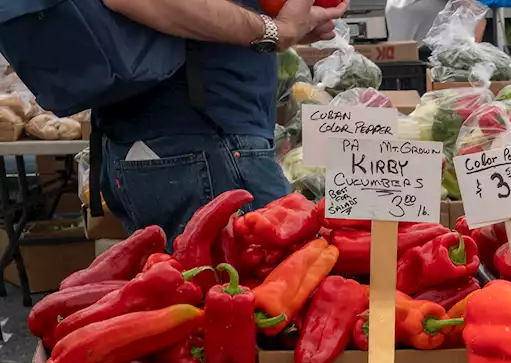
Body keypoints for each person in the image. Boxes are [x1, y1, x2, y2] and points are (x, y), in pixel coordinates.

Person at [96, 0, 348, 239]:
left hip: (194, 142)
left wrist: (288, 23)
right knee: (252, 276)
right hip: (200, 142)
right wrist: (275, 30)